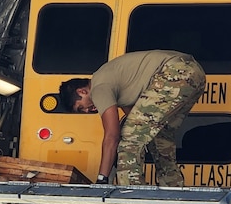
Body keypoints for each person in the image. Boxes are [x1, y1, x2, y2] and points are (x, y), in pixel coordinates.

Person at [59, 50, 205, 187]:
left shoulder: (98, 88)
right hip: (194, 74)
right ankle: (172, 189)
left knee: (129, 138)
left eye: (81, 107)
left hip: (174, 72)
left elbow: (112, 136)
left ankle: (130, 192)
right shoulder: (114, 82)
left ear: (82, 91)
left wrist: (102, 178)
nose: (86, 111)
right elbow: (139, 122)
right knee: (160, 138)